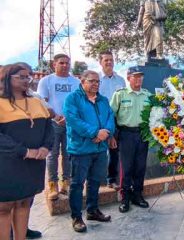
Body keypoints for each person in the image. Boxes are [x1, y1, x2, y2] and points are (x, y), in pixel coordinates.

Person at [0, 64, 53, 240]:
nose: (27, 80)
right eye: (21, 77)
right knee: (4, 207)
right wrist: (24, 151)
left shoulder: (36, 101)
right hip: (7, 165)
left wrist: (46, 147)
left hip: (33, 164)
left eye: (28, 77)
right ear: (7, 78)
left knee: (24, 203)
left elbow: (48, 128)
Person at [63, 70, 115, 232]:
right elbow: (73, 120)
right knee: (77, 183)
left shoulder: (103, 100)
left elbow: (110, 118)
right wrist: (94, 132)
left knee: (94, 182)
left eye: (98, 82)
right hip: (81, 150)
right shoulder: (73, 99)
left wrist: (105, 133)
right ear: (82, 81)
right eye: (91, 81)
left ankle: (92, 211)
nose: (95, 84)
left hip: (99, 149)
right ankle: (76, 217)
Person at [37, 54, 80, 200]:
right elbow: (41, 101)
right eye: (61, 63)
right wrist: (55, 116)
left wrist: (69, 117)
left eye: (68, 63)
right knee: (52, 154)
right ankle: (52, 184)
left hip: (70, 123)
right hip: (52, 123)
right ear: (54, 64)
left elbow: (78, 102)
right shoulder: (46, 81)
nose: (65, 65)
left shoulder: (75, 82)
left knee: (68, 154)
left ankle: (66, 184)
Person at [110, 67, 151, 213]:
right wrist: (112, 135)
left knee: (140, 167)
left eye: (141, 77)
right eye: (135, 76)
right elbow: (111, 115)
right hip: (126, 134)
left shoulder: (147, 95)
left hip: (142, 135)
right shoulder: (120, 94)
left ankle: (138, 196)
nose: (139, 79)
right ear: (128, 78)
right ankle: (125, 198)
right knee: (126, 168)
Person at [98, 50, 126, 190]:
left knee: (114, 149)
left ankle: (111, 179)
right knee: (98, 150)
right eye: (106, 60)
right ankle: (96, 179)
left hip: (115, 119)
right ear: (100, 62)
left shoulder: (120, 80)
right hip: (99, 119)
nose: (109, 62)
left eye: (111, 60)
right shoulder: (96, 79)